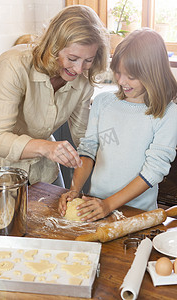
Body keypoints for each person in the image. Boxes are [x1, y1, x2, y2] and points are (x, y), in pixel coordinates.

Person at [0, 5, 109, 185]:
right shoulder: (14, 65)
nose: (79, 69)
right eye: (72, 59)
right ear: (54, 47)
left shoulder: (83, 80)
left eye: (88, 60)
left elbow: (83, 136)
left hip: (41, 168)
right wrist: (47, 148)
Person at [58, 28, 177, 221]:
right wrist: (75, 190)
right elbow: (88, 150)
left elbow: (154, 171)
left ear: (153, 73)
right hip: (96, 205)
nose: (121, 81)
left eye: (131, 76)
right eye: (118, 72)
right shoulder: (103, 103)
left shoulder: (168, 113)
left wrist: (109, 204)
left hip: (137, 214)